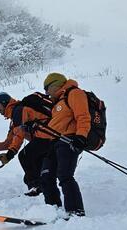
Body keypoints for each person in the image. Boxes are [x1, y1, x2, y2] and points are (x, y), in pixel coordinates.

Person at [0, 90, 54, 197]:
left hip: (49, 136)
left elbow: (20, 134)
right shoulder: (14, 119)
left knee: (25, 156)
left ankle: (36, 188)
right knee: (32, 172)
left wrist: (10, 154)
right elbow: (8, 142)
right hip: (42, 140)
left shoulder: (19, 111)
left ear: (5, 102)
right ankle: (42, 190)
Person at [39, 73, 90, 217]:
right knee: (46, 176)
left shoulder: (74, 93)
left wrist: (81, 137)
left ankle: (75, 211)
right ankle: (53, 210)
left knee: (65, 175)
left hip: (69, 140)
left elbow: (83, 116)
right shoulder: (58, 103)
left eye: (47, 89)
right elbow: (54, 127)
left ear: (56, 85)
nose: (46, 93)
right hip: (55, 142)